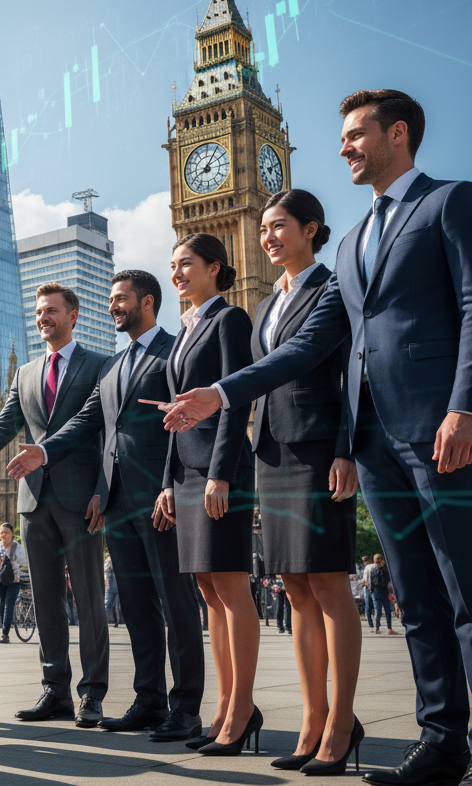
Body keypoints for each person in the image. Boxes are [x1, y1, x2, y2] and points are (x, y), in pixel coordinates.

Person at [164, 90, 472, 786]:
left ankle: (371, 728)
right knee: (418, 599)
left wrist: (465, 406)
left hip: (432, 428)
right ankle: (442, 741)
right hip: (369, 441)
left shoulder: (447, 203)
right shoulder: (355, 245)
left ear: (398, 133)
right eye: (341, 137)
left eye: (357, 134)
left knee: (462, 594)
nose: (344, 147)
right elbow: (303, 353)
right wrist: (221, 393)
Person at [25, 270, 206, 742]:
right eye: (110, 299)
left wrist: (172, 483)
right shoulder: (112, 365)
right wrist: (44, 451)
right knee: (136, 604)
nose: (113, 306)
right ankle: (148, 699)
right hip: (118, 499)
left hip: (161, 496)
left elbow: (186, 421)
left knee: (175, 602)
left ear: (147, 302)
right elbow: (88, 423)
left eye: (120, 299)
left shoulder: (175, 351)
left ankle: (186, 706)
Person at [249, 188, 364, 772]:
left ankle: (342, 725)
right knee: (293, 586)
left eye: (279, 226)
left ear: (311, 229)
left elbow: (349, 375)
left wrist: (346, 450)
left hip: (318, 449)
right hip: (272, 453)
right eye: (264, 228)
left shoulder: (331, 287)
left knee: (328, 583)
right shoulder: (268, 303)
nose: (268, 236)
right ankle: (313, 717)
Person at [0, 283, 109, 727]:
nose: (44, 317)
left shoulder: (100, 364)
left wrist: (102, 487)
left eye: (52, 311)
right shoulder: (25, 373)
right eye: (39, 312)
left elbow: (104, 430)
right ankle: (55, 689)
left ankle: (92, 692)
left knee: (88, 596)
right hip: (33, 500)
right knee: (44, 599)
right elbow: (4, 427)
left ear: (73, 315)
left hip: (82, 498)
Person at [151, 233, 260, 756]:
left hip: (220, 472)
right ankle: (223, 706)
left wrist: (221, 473)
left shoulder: (229, 320)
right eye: (172, 266)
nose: (176, 274)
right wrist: (170, 481)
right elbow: (176, 414)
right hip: (188, 474)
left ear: (215, 268)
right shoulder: (184, 331)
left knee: (232, 588)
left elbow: (236, 400)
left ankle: (242, 708)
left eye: (186, 265)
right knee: (210, 593)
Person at [0, 525, 26, 643]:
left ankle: (5, 634)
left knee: (9, 604)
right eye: (1, 532)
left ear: (12, 534)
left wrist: (19, 574)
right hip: (1, 580)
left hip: (14, 581)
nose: (3, 535)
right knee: (2, 604)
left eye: (6, 532)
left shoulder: (18, 548)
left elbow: (23, 564)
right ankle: (4, 627)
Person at [368, 555, 397, 636]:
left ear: (382, 560)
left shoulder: (386, 569)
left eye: (378, 559)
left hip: (385, 592)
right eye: (375, 559)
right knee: (378, 611)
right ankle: (377, 628)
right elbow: (370, 581)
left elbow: (388, 580)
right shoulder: (373, 569)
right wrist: (371, 592)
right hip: (376, 593)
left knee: (388, 611)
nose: (377, 561)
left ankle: (390, 628)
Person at [361, 556, 377, 630]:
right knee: (375, 604)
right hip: (376, 587)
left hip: (368, 587)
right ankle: (377, 623)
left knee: (368, 605)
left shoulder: (367, 567)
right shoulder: (375, 566)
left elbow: (364, 580)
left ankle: (371, 623)